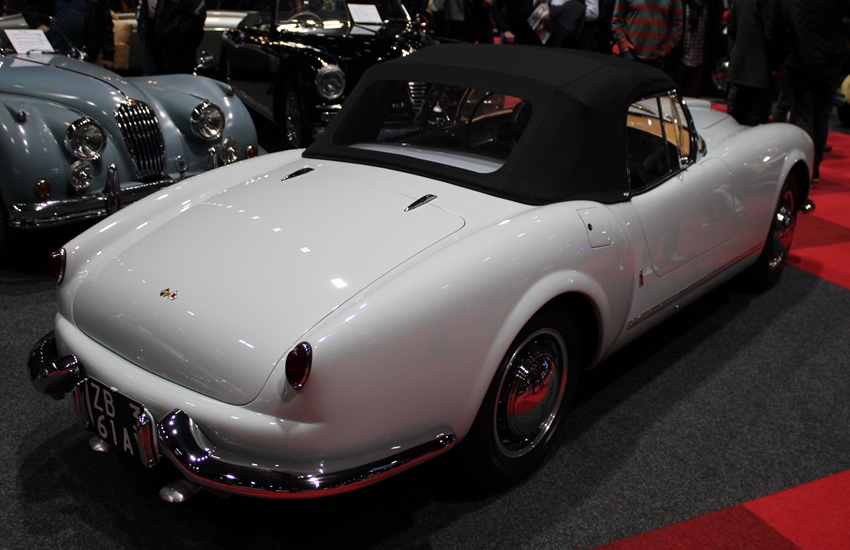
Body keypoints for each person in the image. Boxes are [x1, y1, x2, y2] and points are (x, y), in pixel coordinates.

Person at [778, 0, 850, 181]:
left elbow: (783, 20)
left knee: (804, 114)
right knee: (821, 115)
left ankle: (806, 168)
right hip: (830, 56)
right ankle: (814, 167)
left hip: (802, 56)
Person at [726, 0, 784, 126]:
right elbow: (770, 33)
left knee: (738, 119)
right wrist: (777, 65)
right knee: (754, 121)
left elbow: (731, 27)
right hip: (761, 70)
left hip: (741, 65)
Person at [14, 0, 115, 69]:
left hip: (84, 54)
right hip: (50, 53)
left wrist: (108, 55)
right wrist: (37, 24)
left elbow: (106, 26)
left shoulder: (96, 1)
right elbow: (22, 2)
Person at [137, 0, 206, 75]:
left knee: (179, 79)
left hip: (179, 49)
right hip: (152, 43)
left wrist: (177, 37)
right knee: (150, 78)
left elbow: (196, 18)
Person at [612, 0, 684, 69]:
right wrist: (624, 45)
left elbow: (677, 25)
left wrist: (666, 50)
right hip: (630, 54)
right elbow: (617, 20)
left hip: (658, 57)